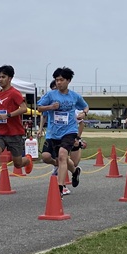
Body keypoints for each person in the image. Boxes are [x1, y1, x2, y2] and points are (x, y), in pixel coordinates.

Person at [0, 65, 33, 199]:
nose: (0, 79)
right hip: (0, 132)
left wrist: (9, 115)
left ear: (10, 78)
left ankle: (27, 160)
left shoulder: (15, 93)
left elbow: (24, 109)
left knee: (18, 164)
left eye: (3, 77)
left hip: (14, 133)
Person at [37, 67, 88, 197]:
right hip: (53, 133)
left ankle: (59, 188)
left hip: (69, 131)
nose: (59, 82)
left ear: (68, 80)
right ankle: (75, 171)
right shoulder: (50, 95)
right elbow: (39, 108)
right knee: (46, 157)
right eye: (57, 80)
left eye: (61, 80)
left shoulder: (74, 96)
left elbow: (85, 106)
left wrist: (84, 113)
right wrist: (50, 107)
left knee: (62, 155)